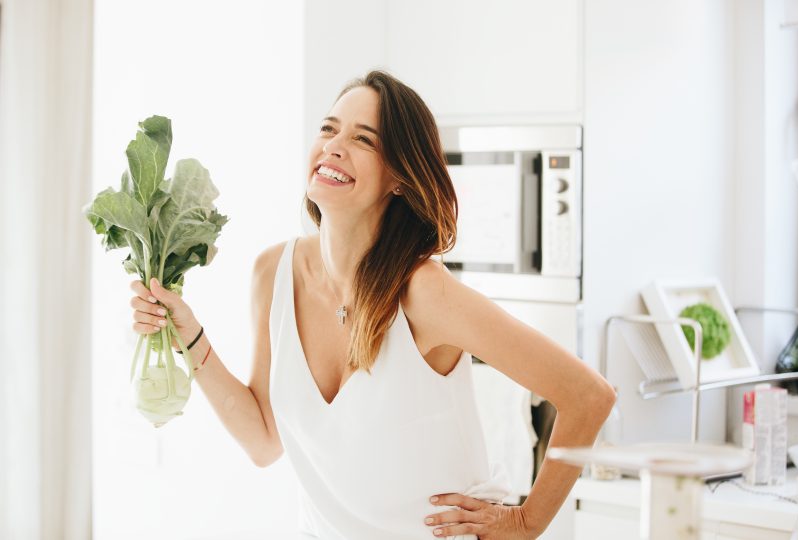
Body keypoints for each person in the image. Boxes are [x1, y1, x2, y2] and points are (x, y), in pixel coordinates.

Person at [129, 70, 616, 539]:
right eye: (328, 129)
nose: (334, 145)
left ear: (398, 178)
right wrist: (188, 334)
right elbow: (263, 441)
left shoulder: (424, 293)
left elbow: (588, 395)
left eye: (363, 139)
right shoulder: (273, 273)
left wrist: (525, 524)